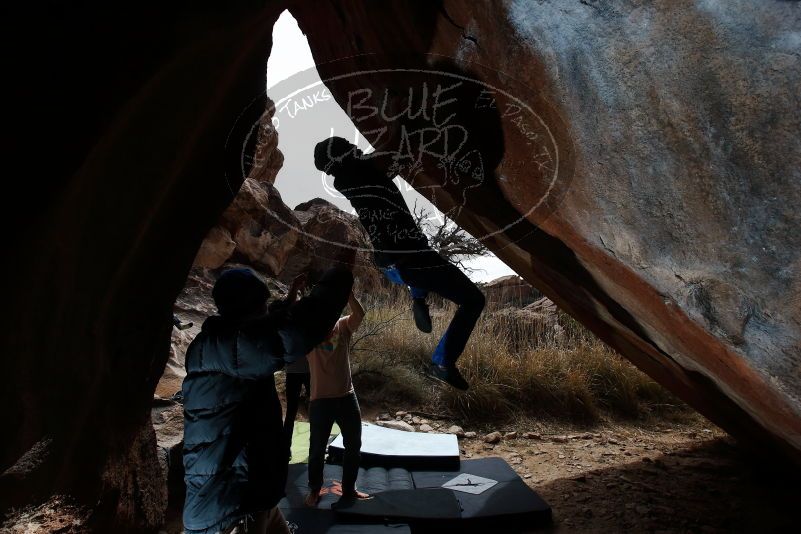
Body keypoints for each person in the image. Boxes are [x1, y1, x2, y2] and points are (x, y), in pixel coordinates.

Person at [182, 266, 353, 534]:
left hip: (250, 498)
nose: (265, 312)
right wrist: (340, 275)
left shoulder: (222, 343)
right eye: (261, 305)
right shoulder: (230, 347)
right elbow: (294, 331)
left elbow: (272, 323)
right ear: (247, 310)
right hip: (232, 510)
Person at [313, 136, 485, 390]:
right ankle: (442, 361)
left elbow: (390, 154)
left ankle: (417, 297)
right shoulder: (364, 172)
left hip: (391, 266)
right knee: (473, 300)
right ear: (344, 157)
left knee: (419, 268)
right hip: (412, 261)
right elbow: (398, 145)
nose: (358, 148)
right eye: (351, 147)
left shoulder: (350, 180)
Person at [304, 287, 368, 508]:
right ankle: (314, 490)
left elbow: (360, 314)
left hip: (346, 396)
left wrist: (348, 295)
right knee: (316, 448)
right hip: (320, 400)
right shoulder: (308, 333)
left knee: (354, 445)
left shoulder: (342, 326)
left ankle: (349, 489)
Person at [272, 274, 312, 460]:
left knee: (291, 411)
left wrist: (296, 289)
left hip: (293, 369)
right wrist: (298, 290)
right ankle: (317, 446)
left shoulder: (280, 323)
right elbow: (301, 307)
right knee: (316, 407)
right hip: (309, 368)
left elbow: (291, 305)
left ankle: (284, 449)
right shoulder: (297, 318)